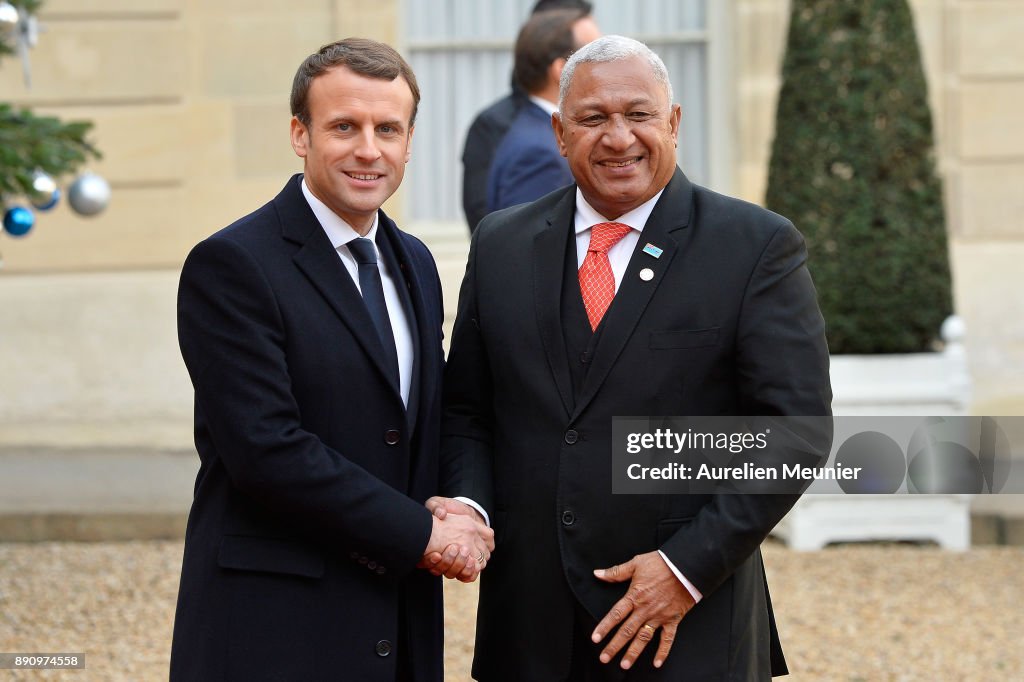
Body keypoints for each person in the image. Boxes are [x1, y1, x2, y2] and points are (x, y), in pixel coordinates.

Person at [437, 35, 832, 680]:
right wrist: (468, 507)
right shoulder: (502, 244)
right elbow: (469, 410)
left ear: (673, 122)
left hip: (684, 628)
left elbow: (793, 433)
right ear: (561, 135)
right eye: (594, 119)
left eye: (639, 114)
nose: (618, 137)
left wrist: (685, 568)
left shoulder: (754, 247)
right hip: (528, 624)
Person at [170, 38, 493, 681]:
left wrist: (465, 506)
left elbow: (437, 414)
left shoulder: (418, 263)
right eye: (344, 126)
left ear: (408, 140)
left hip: (398, 624)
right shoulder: (233, 264)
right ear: (300, 133)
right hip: (277, 622)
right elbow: (265, 448)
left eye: (388, 129)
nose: (369, 149)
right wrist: (419, 534)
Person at [461, 0, 598, 233]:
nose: (606, 67)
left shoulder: (538, 130)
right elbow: (529, 249)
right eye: (594, 55)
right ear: (561, 70)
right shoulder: (540, 151)